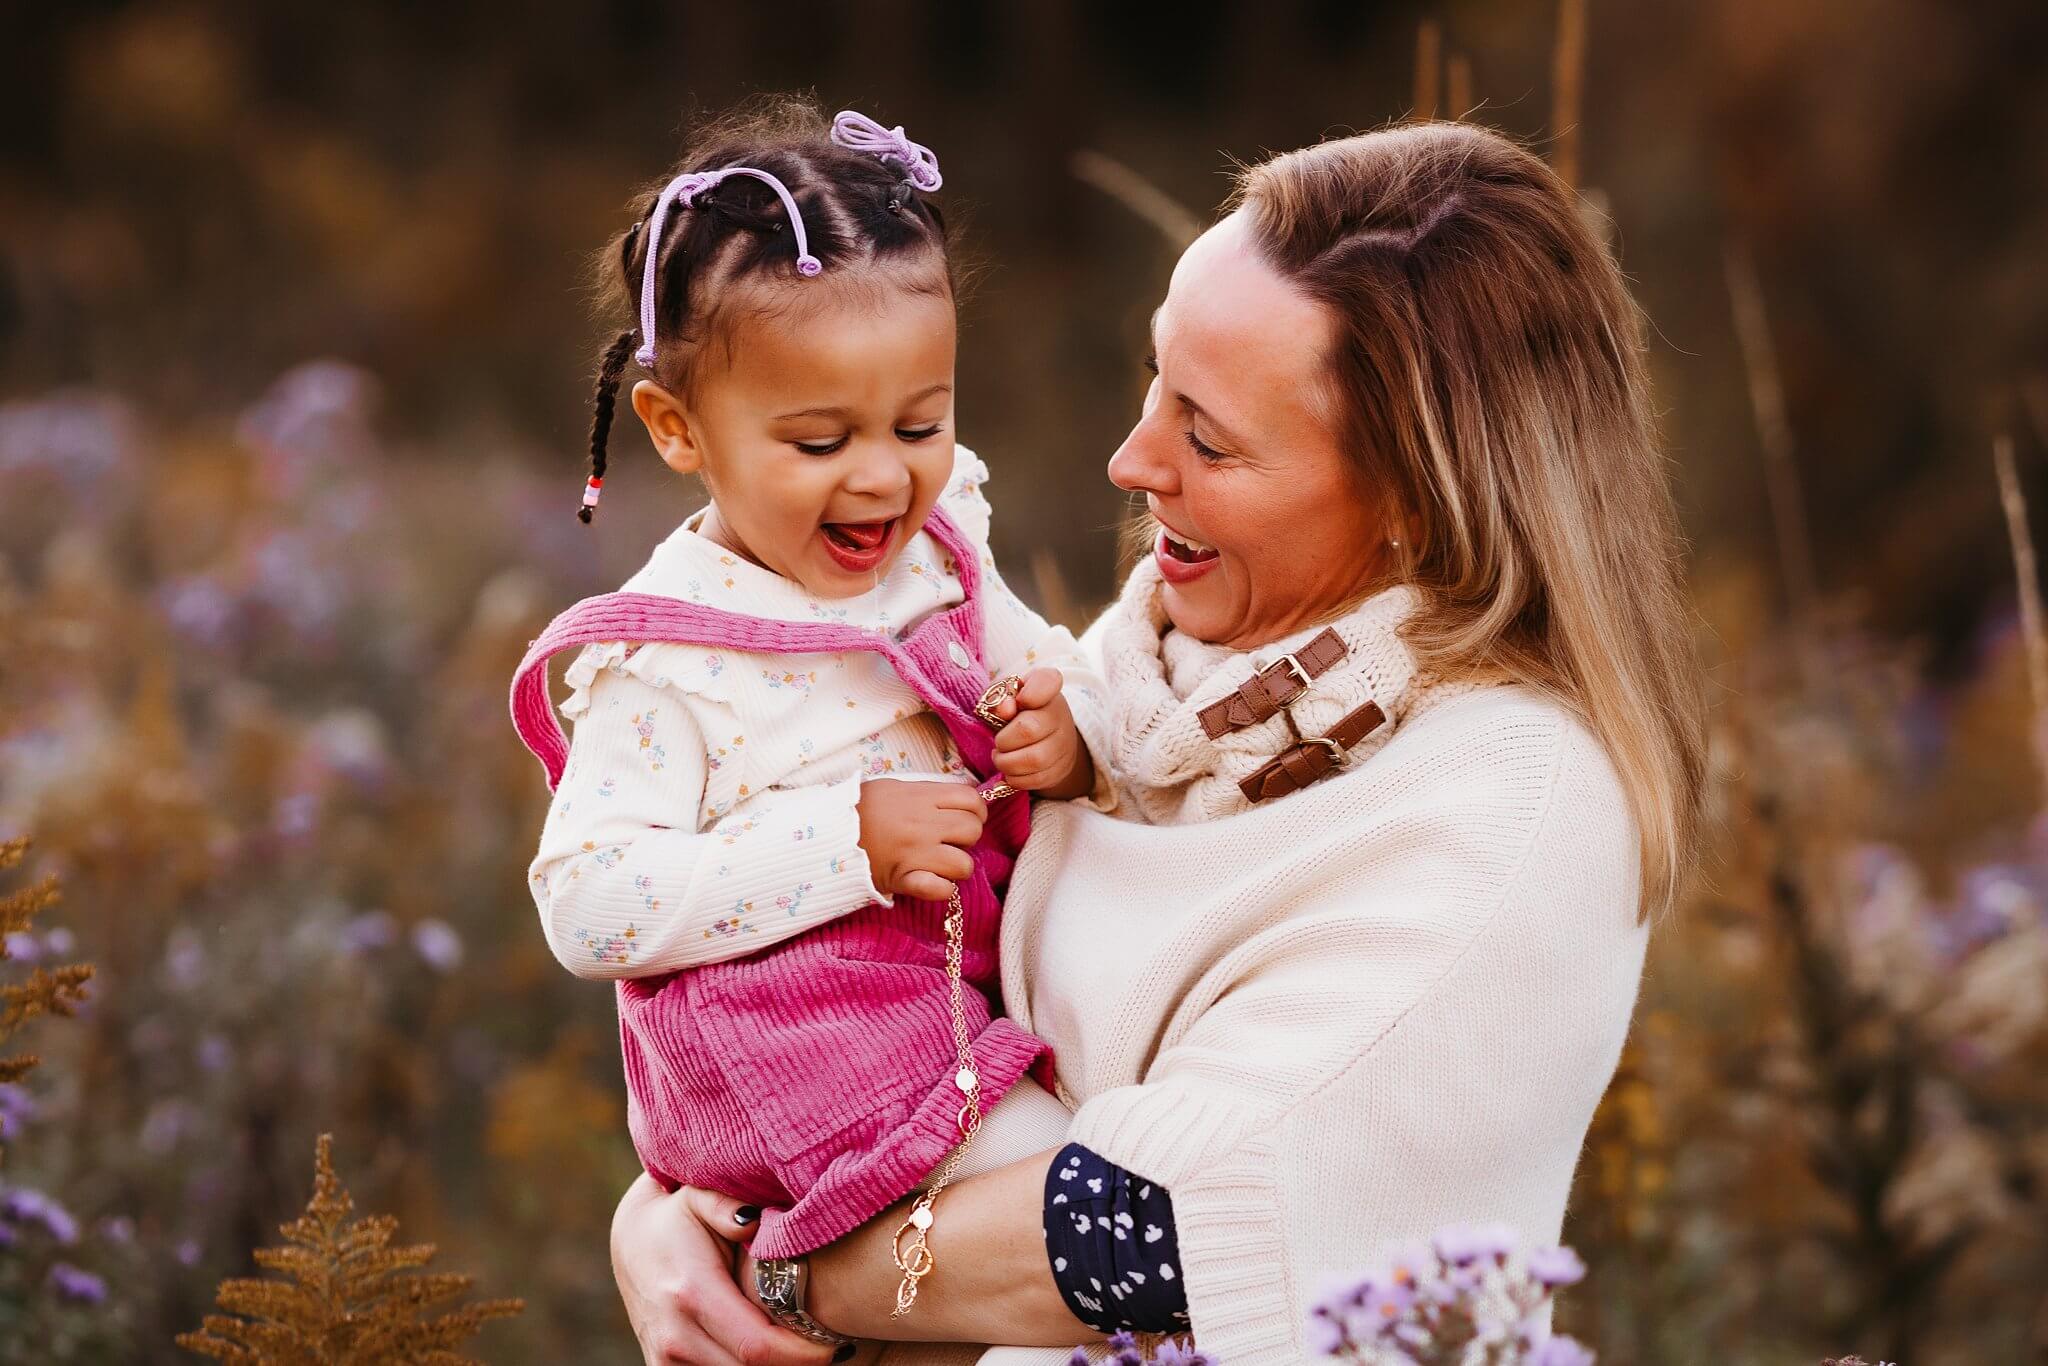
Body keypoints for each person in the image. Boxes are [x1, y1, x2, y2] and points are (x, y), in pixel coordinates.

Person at [607, 119, 1709, 1365]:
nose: (1131, 461)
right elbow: (864, 998)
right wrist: (662, 1211)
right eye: (1153, 385)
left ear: (1415, 497)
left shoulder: (1511, 799)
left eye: (1209, 437)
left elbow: (1159, 1226)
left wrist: (781, 1265)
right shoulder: (1157, 694)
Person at [509, 96, 1116, 1352]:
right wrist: (847, 843)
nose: (883, 476)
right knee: (1075, 1212)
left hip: (937, 1011)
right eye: (817, 438)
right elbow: (588, 900)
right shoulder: (665, 658)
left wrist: (1059, 728)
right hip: (792, 1045)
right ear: (679, 429)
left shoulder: (942, 546)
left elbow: (1033, 666)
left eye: (920, 423)